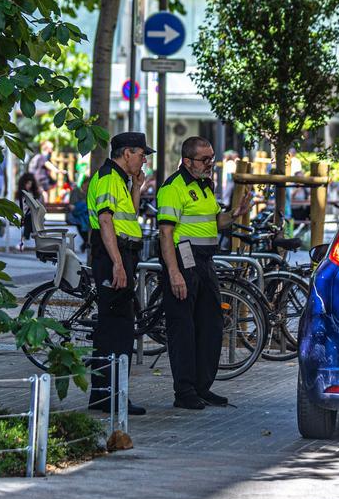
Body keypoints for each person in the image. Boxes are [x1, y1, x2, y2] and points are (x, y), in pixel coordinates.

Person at [156, 137, 249, 409]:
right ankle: (184, 391)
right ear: (187, 161)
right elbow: (166, 232)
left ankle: (201, 387)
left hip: (205, 261)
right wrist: (174, 273)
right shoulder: (173, 188)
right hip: (183, 261)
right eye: (205, 159)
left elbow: (212, 222)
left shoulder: (204, 185)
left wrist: (234, 214)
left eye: (212, 158)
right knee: (183, 327)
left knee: (210, 325)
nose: (210, 164)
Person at [87, 131, 152, 415]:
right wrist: (117, 264)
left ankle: (105, 396)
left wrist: (137, 187)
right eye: (141, 154)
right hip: (114, 257)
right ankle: (111, 397)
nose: (144, 159)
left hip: (122, 255)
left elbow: (128, 217)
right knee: (117, 329)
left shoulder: (119, 179)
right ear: (127, 153)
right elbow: (105, 220)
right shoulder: (108, 178)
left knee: (114, 328)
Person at [16, 172, 43, 250]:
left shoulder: (34, 193)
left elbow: (39, 206)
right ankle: (26, 239)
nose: (29, 186)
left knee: (32, 219)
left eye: (30, 184)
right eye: (27, 183)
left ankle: (23, 240)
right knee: (31, 220)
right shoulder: (20, 194)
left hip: (32, 215)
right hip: (22, 215)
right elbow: (18, 206)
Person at [65, 176, 91, 250]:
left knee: (87, 219)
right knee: (81, 221)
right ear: (83, 184)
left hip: (83, 214)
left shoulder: (88, 193)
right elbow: (73, 207)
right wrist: (83, 205)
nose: (87, 187)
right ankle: (86, 242)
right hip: (75, 215)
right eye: (87, 185)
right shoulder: (76, 191)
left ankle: (86, 242)